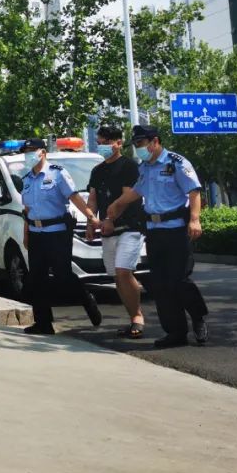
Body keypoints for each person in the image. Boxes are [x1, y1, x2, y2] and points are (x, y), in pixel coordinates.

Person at [106, 125, 209, 348]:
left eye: (141, 144)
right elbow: (137, 191)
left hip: (176, 230)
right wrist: (117, 204)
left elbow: (194, 191)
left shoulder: (176, 163)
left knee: (179, 280)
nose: (138, 148)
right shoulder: (145, 168)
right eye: (136, 144)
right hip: (154, 232)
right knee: (161, 285)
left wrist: (195, 219)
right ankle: (176, 333)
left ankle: (198, 316)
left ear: (155, 141)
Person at [18, 138, 103, 335]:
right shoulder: (27, 180)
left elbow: (74, 197)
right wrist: (26, 233)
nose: (29, 154)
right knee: (36, 278)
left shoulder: (57, 173)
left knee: (62, 275)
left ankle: (86, 298)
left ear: (43, 152)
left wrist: (91, 217)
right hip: (36, 233)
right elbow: (27, 210)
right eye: (26, 151)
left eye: (32, 150)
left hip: (57, 233)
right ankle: (43, 323)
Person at [86, 125, 147, 338]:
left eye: (106, 143)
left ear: (118, 143)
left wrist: (110, 219)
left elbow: (126, 198)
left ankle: (138, 317)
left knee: (123, 271)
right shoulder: (97, 170)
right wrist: (90, 222)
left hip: (129, 228)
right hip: (107, 231)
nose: (102, 147)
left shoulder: (129, 167)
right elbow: (92, 199)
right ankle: (132, 317)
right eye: (99, 143)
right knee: (117, 277)